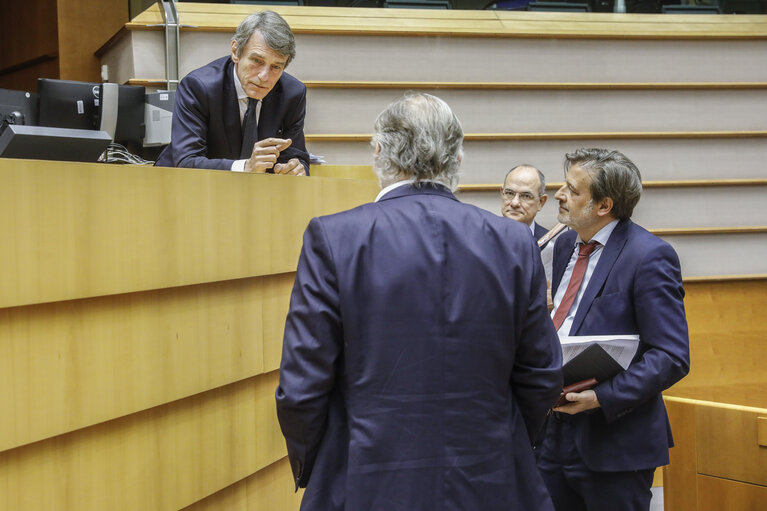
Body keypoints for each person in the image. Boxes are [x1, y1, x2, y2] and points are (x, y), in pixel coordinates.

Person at [276, 93, 563, 511]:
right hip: (490, 476)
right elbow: (541, 374)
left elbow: (302, 385)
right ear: (458, 159)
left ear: (378, 152)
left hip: (364, 477)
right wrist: (509, 443)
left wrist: (315, 463)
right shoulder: (514, 242)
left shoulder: (334, 238)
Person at [536, 148, 690, 511]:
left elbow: (671, 356)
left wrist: (602, 398)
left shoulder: (650, 256)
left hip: (614, 439)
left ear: (603, 205)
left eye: (572, 190)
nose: (559, 194)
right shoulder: (562, 246)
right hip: (552, 432)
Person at [155, 10, 309, 175]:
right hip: (181, 187)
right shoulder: (198, 87)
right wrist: (245, 167)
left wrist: (295, 168)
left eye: (276, 67)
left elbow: (297, 156)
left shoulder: (292, 94)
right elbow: (186, 161)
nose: (264, 76)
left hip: (252, 194)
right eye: (257, 61)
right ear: (236, 51)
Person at [501, 164, 550, 246]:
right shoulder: (482, 236)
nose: (515, 203)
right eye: (509, 193)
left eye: (526, 196)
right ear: (502, 193)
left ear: (541, 202)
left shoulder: (551, 244)